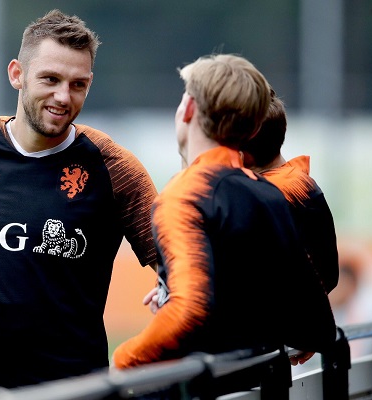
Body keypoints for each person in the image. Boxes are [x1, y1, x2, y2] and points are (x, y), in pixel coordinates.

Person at [0, 9, 158, 397]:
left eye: (78, 84)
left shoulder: (113, 167)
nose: (63, 97)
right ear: (17, 74)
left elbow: (179, 263)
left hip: (77, 390)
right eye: (50, 79)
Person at [111, 54, 336, 391]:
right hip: (265, 384)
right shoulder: (269, 193)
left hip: (199, 387)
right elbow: (315, 324)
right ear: (254, 128)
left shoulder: (186, 194)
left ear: (188, 109)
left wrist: (121, 364)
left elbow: (189, 312)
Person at [240, 88, 340, 367]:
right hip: (282, 342)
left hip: (257, 349)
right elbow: (327, 273)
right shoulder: (301, 183)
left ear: (244, 153)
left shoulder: (268, 196)